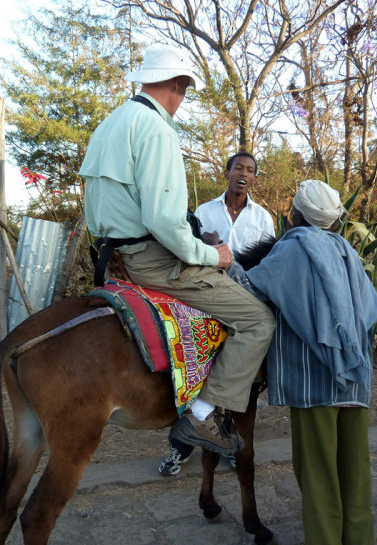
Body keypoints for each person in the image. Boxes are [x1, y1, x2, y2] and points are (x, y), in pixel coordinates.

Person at [80, 45, 275, 455]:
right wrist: (213, 256)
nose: (183, 99)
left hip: (117, 255)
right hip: (156, 261)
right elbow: (164, 221)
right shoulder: (157, 129)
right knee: (258, 319)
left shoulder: (110, 124)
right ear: (177, 84)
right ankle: (200, 416)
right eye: (185, 89)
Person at [243, 180, 377, 545]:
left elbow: (251, 286)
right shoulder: (348, 250)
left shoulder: (291, 246)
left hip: (314, 379)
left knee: (317, 467)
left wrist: (224, 260)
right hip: (356, 377)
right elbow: (371, 310)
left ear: (297, 214)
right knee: (354, 466)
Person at [159, 152, 275, 476]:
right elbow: (188, 254)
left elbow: (266, 265)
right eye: (238, 167)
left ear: (254, 178)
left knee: (240, 371)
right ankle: (180, 447)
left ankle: (225, 438)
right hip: (208, 296)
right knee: (197, 364)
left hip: (246, 299)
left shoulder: (263, 218)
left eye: (251, 170)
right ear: (226, 172)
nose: (244, 174)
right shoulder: (205, 211)